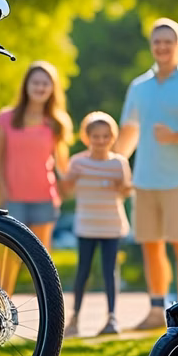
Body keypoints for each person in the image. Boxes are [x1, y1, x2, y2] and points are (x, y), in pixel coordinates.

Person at [115, 18, 178, 329]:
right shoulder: (139, 86)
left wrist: (176, 135)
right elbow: (129, 131)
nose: (162, 46)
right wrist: (116, 166)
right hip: (144, 178)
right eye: (157, 41)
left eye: (168, 41)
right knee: (149, 243)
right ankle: (155, 309)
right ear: (151, 46)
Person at [0, 61, 73, 295]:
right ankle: (1, 301)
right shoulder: (5, 118)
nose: (40, 87)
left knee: (42, 258)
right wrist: (4, 191)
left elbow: (62, 164)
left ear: (52, 88)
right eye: (35, 82)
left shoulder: (57, 123)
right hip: (13, 197)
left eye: (45, 83)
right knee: (8, 253)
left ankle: (48, 307)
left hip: (44, 197)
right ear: (26, 86)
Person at [61, 112, 132, 337]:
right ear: (87, 137)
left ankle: (112, 317)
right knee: (83, 272)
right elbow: (66, 189)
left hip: (111, 225)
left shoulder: (119, 163)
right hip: (86, 225)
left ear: (112, 138)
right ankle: (74, 318)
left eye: (105, 136)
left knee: (109, 271)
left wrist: (123, 186)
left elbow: (125, 191)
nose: (100, 141)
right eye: (96, 136)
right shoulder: (78, 162)